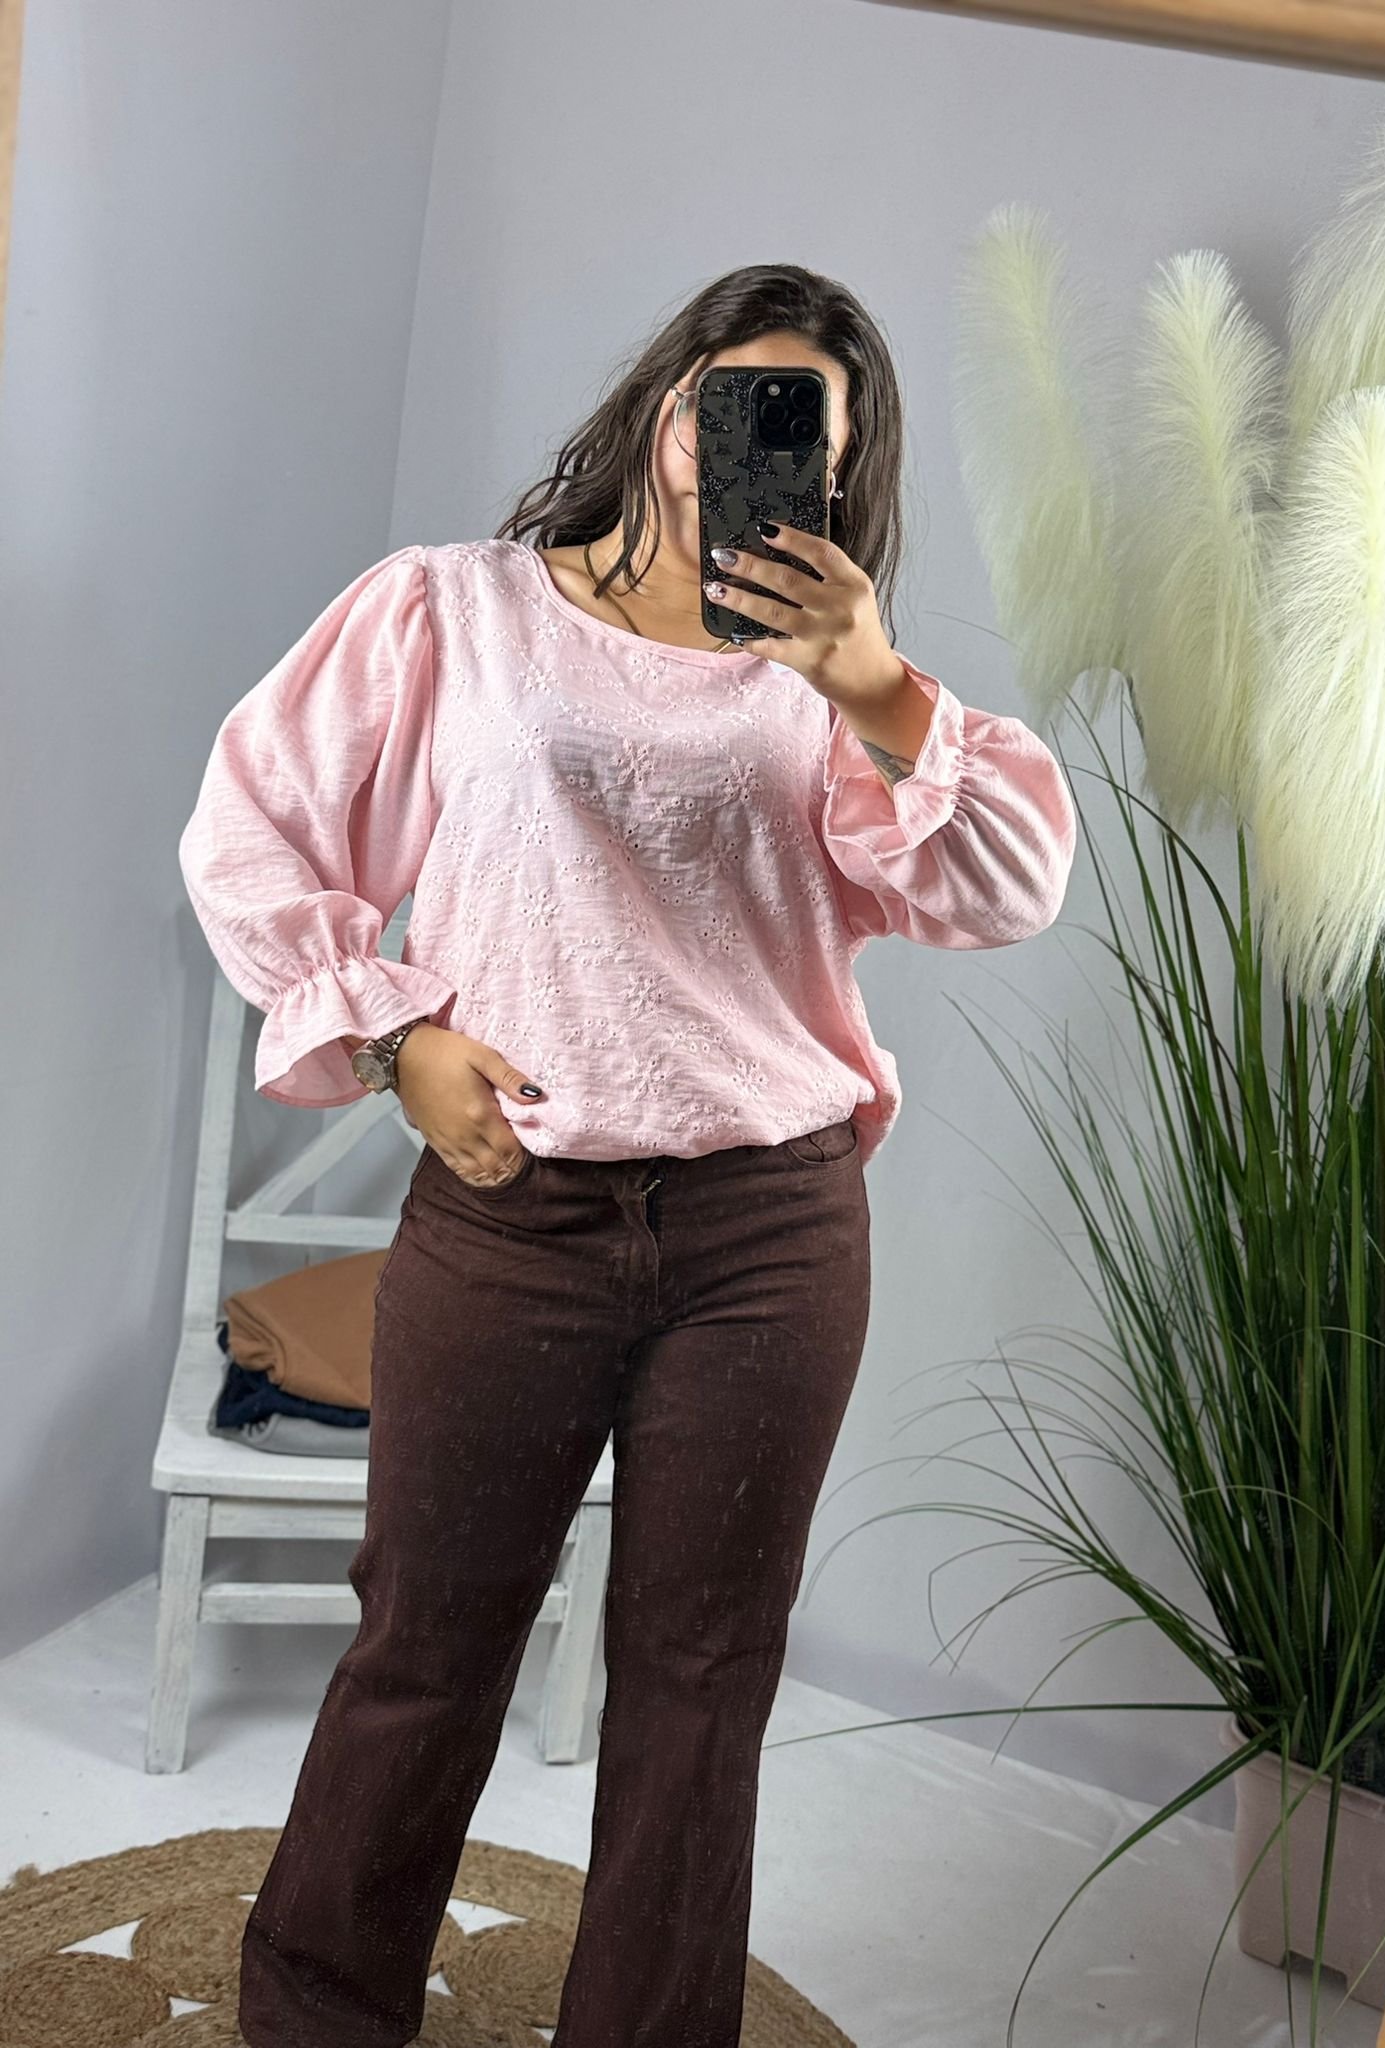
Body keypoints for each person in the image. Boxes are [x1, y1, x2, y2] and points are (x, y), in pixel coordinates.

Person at [177, 260, 1077, 2048]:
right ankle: (316, 2020)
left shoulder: (841, 684)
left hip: (768, 1236)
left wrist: (877, 686)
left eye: (798, 419)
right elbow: (250, 825)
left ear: (836, 465)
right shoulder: (459, 611)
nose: (741, 433)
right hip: (514, 1213)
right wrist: (397, 1037)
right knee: (423, 1650)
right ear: (668, 399)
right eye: (727, 391)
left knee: (701, 1683)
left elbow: (1005, 887)